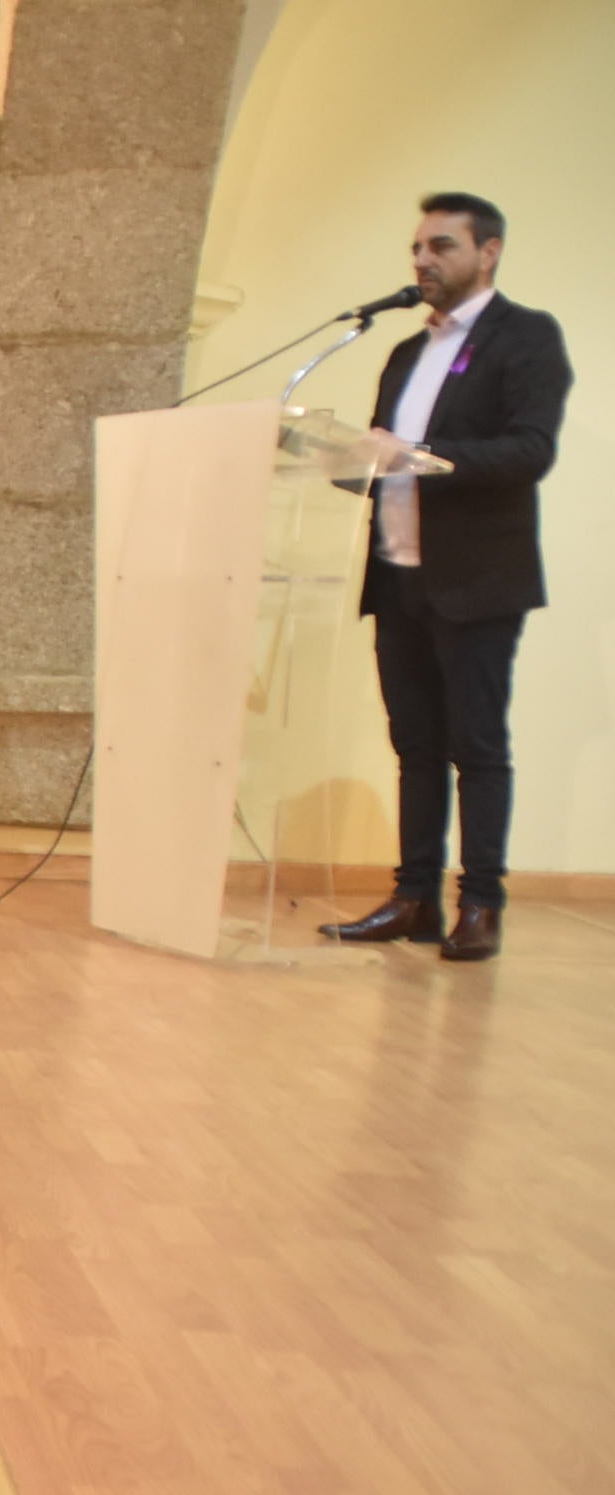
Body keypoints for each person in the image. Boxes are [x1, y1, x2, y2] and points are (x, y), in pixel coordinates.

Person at [321, 193, 574, 965]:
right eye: (417, 250)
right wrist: (343, 460)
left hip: (477, 581)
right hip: (399, 577)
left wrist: (421, 454)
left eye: (441, 247)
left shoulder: (524, 336)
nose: (423, 262)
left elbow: (530, 450)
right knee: (416, 746)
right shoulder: (405, 352)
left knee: (476, 746)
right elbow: (383, 460)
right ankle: (413, 899)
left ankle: (483, 905)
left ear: (487, 252)